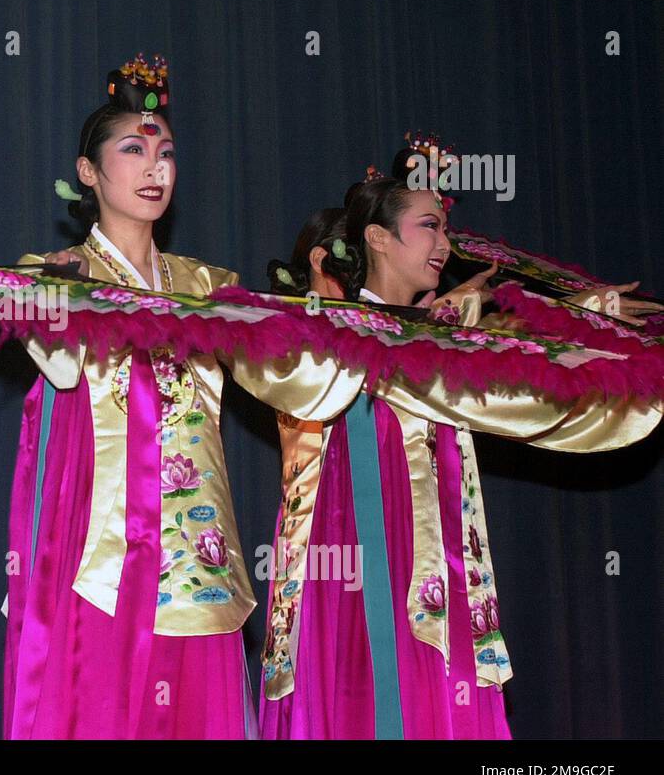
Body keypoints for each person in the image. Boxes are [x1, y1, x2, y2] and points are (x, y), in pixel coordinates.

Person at [2, 55, 361, 738]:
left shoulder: (208, 285)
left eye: (165, 152)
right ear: (88, 172)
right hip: (102, 556)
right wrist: (63, 292)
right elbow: (59, 365)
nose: (155, 167)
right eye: (133, 150)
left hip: (196, 554)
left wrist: (350, 328)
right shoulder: (48, 272)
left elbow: (292, 377)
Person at [257, 175, 661, 738]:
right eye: (429, 226)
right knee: (369, 687)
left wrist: (587, 314)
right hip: (355, 543)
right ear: (377, 237)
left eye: (445, 228)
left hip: (435, 544)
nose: (444, 243)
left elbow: (515, 357)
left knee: (434, 687)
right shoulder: (328, 329)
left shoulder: (445, 336)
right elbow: (377, 354)